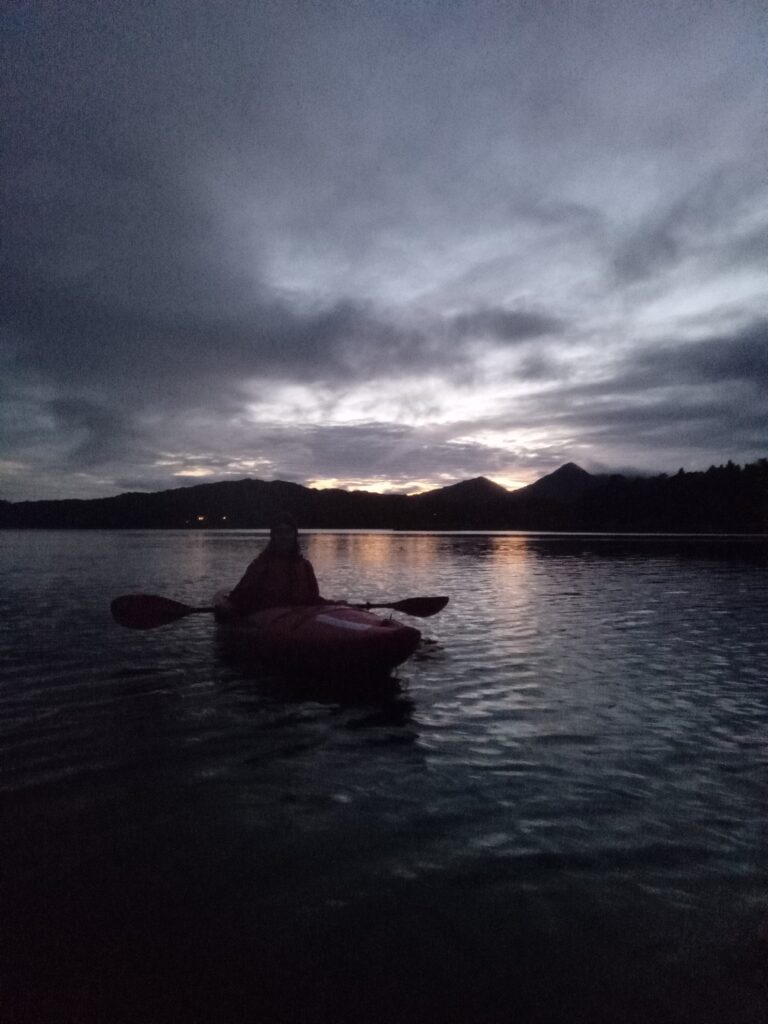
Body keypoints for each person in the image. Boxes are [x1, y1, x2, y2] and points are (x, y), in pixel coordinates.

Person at [227, 513, 327, 615]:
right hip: (270, 618)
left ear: (294, 535)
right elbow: (240, 596)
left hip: (300, 618)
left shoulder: (305, 567)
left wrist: (337, 606)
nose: (284, 536)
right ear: (273, 536)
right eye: (279, 532)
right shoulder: (262, 564)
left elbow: (314, 599)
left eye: (288, 531)